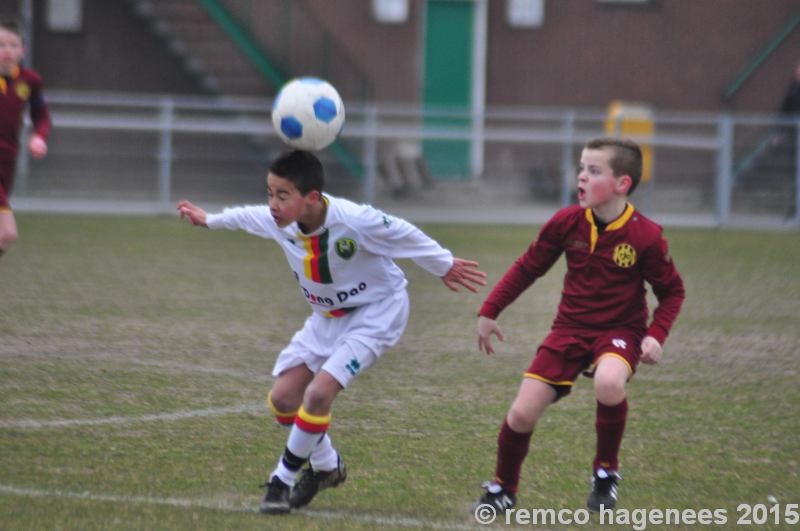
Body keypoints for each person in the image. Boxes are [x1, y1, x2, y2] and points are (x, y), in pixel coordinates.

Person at [177, 150, 486, 514]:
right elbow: (247, 216)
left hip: (377, 312)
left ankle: (281, 482)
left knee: (318, 394)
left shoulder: (355, 221)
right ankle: (326, 466)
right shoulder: (280, 221)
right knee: (283, 400)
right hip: (326, 318)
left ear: (312, 198)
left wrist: (443, 263)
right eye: (270, 193)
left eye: (282, 195)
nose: (272, 204)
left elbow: (402, 232)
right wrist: (209, 220)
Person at [474, 137, 685, 512]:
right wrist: (490, 311)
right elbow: (528, 267)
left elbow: (672, 292)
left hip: (621, 332)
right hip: (568, 330)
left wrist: (655, 336)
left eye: (593, 170)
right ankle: (503, 488)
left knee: (608, 382)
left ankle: (605, 475)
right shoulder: (566, 222)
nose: (582, 178)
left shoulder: (645, 235)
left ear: (623, 184)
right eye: (581, 169)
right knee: (521, 413)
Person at [0, 20, 50, 261]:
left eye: (13, 45)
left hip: (7, 162)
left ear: (23, 50)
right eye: (1, 45)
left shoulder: (30, 81)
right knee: (7, 233)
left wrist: (39, 137)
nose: (7, 50)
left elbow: (42, 117)